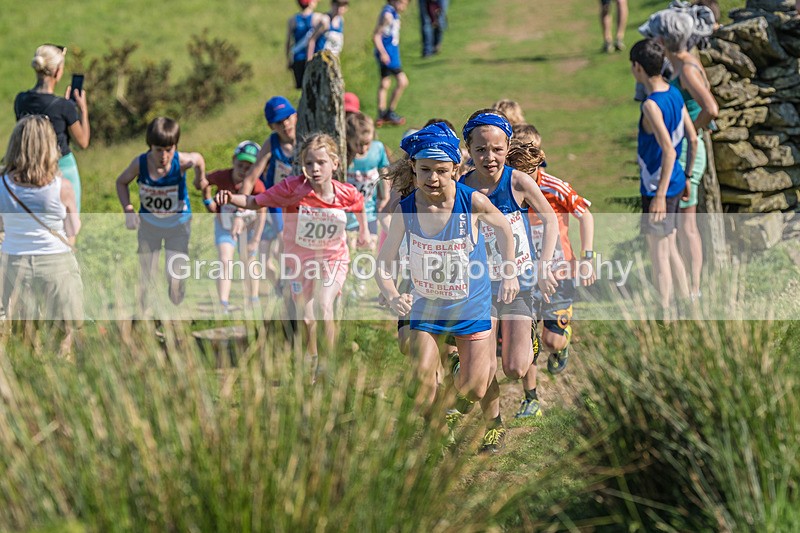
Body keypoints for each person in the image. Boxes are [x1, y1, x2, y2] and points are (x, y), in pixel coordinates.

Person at [375, 122, 520, 453]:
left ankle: (454, 410)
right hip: (426, 307)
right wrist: (393, 294)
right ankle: (437, 435)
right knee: (423, 385)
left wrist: (509, 272)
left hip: (471, 305)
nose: (433, 179)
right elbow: (383, 264)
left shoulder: (472, 202)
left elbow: (505, 230)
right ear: (413, 167)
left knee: (474, 389)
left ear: (456, 168)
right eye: (425, 170)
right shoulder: (407, 208)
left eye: (442, 170)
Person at [216, 134, 369, 377]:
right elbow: (256, 201)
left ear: (335, 164)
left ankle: (330, 364)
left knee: (323, 304)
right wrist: (230, 198)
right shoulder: (293, 189)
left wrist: (364, 231)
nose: (315, 169)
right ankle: (314, 360)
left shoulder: (344, 192)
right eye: (309, 163)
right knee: (307, 319)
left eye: (321, 163)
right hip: (299, 263)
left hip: (333, 259)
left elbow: (358, 204)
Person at [458, 111, 559, 440]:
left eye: (498, 149)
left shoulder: (518, 181)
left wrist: (543, 265)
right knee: (485, 368)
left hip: (520, 282)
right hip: (480, 287)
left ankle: (529, 336)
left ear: (507, 147)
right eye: (482, 149)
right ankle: (494, 425)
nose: (490, 157)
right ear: (469, 150)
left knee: (515, 367)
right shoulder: (462, 188)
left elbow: (551, 219)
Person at [506, 138, 596, 418]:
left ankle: (561, 343)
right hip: (525, 277)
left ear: (536, 169)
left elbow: (585, 216)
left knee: (550, 342)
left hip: (559, 272)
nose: (521, 181)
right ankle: (531, 399)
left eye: (526, 174)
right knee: (527, 339)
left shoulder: (554, 187)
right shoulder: (505, 189)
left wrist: (588, 258)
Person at [641, 6, 718, 301]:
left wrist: (692, 132)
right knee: (685, 225)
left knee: (687, 226)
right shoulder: (686, 62)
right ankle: (689, 286)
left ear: (664, 39)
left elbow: (710, 108)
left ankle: (693, 288)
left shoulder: (685, 68)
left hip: (687, 151)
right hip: (686, 148)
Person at [0, 115, 82, 356]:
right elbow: (73, 229)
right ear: (50, 145)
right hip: (55, 264)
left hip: (14, 263)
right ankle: (60, 371)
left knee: (23, 332)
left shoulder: (2, 184)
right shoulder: (62, 187)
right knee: (63, 330)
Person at [630, 39, 695, 315]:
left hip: (659, 187)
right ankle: (688, 306)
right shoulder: (676, 94)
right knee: (670, 247)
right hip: (677, 182)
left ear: (637, 68)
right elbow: (692, 137)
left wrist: (657, 196)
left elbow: (668, 152)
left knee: (659, 256)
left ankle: (665, 316)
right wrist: (688, 176)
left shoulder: (650, 106)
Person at [116, 117, 206, 315]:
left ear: (175, 147)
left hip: (178, 225)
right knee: (146, 273)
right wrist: (128, 209)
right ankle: (142, 317)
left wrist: (200, 180)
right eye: (158, 150)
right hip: (149, 226)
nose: (164, 155)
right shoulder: (140, 163)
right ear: (150, 147)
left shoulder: (180, 161)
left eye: (169, 149)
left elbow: (198, 159)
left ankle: (176, 305)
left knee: (173, 277)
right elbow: (121, 182)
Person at [14, 44, 90, 213]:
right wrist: (82, 110)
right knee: (68, 226)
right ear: (57, 71)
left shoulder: (21, 100)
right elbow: (83, 142)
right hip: (61, 168)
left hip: (29, 168)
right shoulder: (64, 107)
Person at [196, 141, 267, 313]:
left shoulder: (257, 185)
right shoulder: (223, 176)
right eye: (240, 164)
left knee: (249, 261)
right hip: (224, 226)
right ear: (233, 160)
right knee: (224, 260)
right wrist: (208, 200)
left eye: (249, 166)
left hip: (248, 229)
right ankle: (223, 303)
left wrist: (256, 239)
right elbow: (204, 183)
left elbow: (262, 212)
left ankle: (253, 299)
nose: (243, 169)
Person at [241, 96, 298, 292]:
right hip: (277, 202)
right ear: (271, 125)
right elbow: (251, 177)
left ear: (296, 115)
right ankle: (285, 283)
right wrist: (241, 211)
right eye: (279, 122)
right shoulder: (272, 143)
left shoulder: (305, 137)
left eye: (288, 118)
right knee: (282, 241)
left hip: (301, 203)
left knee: (289, 246)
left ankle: (290, 282)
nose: (285, 125)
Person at [345, 111, 390, 247]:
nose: (363, 149)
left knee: (370, 247)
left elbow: (383, 170)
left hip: (370, 210)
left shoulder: (377, 149)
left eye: (366, 143)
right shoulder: (344, 154)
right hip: (349, 215)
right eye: (357, 144)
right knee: (352, 247)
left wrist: (385, 195)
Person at [373, 0, 410, 126]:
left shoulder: (394, 13)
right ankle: (390, 112)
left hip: (392, 53)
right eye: (403, 3)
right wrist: (383, 53)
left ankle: (382, 114)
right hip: (388, 55)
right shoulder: (387, 15)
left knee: (385, 83)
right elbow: (376, 36)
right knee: (402, 81)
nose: (404, 6)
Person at [286, 0, 325, 89]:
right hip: (314, 58)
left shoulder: (292, 20)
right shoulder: (318, 18)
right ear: (311, 3)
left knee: (302, 88)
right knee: (315, 87)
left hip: (297, 58)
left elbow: (288, 42)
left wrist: (288, 60)